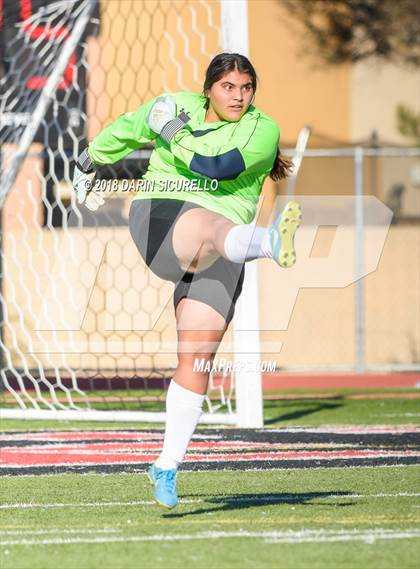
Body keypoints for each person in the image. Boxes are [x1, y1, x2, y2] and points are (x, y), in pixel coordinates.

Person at [73, 52, 301, 509]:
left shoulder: (263, 128)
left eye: (246, 87)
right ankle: (268, 243)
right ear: (208, 89)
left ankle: (166, 465)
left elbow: (218, 167)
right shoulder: (173, 103)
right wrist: (88, 160)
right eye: (228, 87)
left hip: (222, 246)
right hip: (161, 217)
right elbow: (130, 126)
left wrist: (172, 132)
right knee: (210, 228)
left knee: (197, 357)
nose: (238, 96)